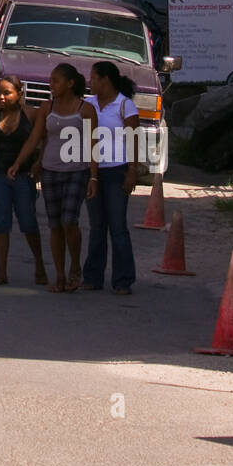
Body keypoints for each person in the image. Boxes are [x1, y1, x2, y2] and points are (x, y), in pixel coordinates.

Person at [12, 63, 98, 293]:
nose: (52, 85)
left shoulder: (86, 109)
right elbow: (36, 137)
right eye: (50, 81)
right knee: (55, 224)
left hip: (77, 172)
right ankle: (59, 275)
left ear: (70, 83)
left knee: (70, 220)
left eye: (56, 81)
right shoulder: (46, 107)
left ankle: (75, 268)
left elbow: (93, 145)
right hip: (51, 171)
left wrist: (93, 177)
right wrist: (20, 161)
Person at [0, 77, 48, 286]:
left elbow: (45, 139)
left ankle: (39, 265)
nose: (2, 97)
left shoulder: (31, 114)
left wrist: (39, 162)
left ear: (19, 93)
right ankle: (1, 272)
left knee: (28, 221)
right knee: (1, 222)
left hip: (23, 177)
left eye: (7, 93)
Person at [82, 61, 139, 295]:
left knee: (117, 227)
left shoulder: (125, 105)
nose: (90, 82)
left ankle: (123, 279)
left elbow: (133, 138)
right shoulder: (89, 104)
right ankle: (93, 277)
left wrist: (132, 171)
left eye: (94, 77)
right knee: (97, 226)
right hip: (94, 172)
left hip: (117, 170)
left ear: (105, 80)